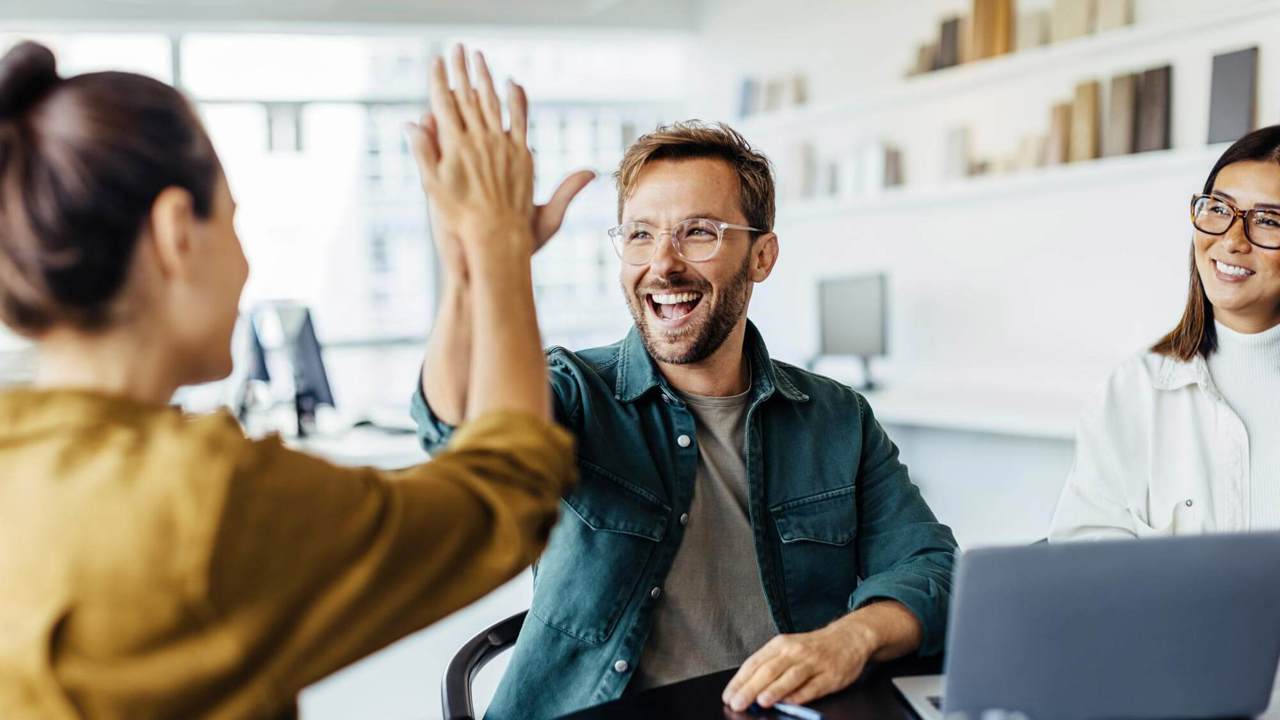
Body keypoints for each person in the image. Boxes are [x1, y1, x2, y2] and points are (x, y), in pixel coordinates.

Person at [0, 41, 579, 718]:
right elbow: (503, 496)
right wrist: (499, 240)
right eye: (235, 222)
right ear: (176, 231)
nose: (246, 266)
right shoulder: (201, 499)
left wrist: (469, 271)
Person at [413, 119, 958, 718]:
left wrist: (852, 637)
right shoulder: (574, 392)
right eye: (641, 235)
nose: (663, 264)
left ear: (762, 256)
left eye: (698, 232)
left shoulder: (837, 418)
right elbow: (458, 429)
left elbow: (931, 568)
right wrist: (474, 267)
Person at [1050, 125, 1280, 541]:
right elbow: (1085, 564)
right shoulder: (1133, 390)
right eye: (1219, 209)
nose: (1231, 241)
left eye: (1267, 220)